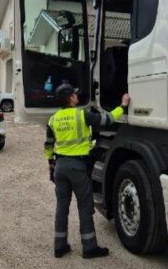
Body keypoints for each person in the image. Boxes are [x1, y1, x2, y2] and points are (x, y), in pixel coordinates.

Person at [44, 84, 130, 258]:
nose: (77, 96)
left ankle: (59, 246)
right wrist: (123, 105)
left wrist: (51, 166)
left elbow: (48, 145)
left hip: (60, 166)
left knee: (62, 207)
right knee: (85, 206)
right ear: (70, 98)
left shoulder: (53, 119)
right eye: (74, 94)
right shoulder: (81, 115)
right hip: (77, 167)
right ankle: (89, 247)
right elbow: (107, 119)